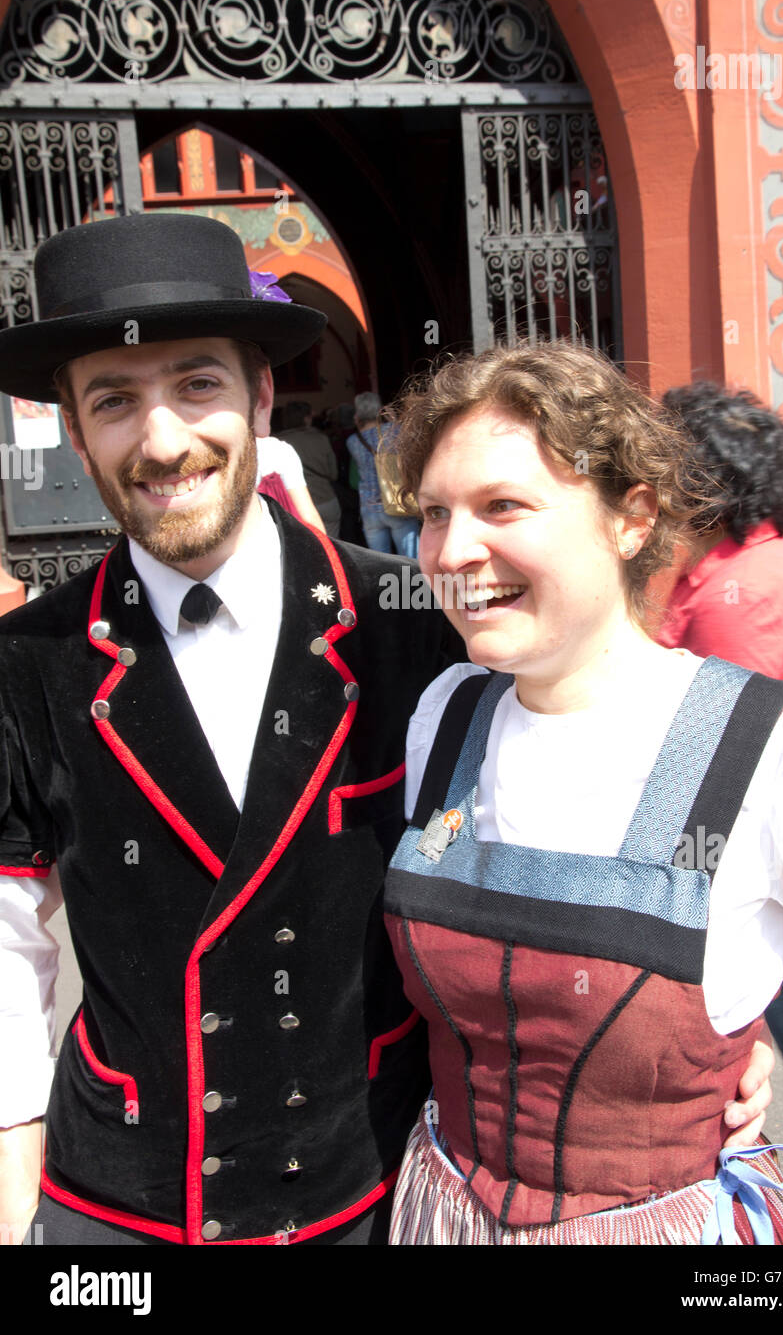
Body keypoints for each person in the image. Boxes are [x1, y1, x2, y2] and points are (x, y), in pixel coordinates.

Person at [0, 212, 450, 1246]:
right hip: (121, 1204)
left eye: (197, 385)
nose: (162, 440)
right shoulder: (26, 662)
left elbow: (536, 837)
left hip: (371, 1186)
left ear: (259, 397)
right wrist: (22, 1212)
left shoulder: (410, 620)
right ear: (74, 431)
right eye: (114, 400)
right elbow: (7, 954)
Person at [381, 342, 783, 1245]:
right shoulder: (446, 715)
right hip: (440, 1211)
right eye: (434, 513)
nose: (450, 550)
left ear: (631, 518)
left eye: (503, 506)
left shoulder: (778, 750)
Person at [657, 381, 783, 1170]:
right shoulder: (757, 552)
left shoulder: (738, 588)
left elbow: (713, 749)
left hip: (743, 867)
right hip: (745, 859)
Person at [346, 392, 420, 558]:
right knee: (410, 560)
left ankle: (386, 585)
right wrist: (394, 420)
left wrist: (358, 423)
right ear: (380, 410)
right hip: (397, 503)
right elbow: (411, 443)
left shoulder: (352, 441)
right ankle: (411, 585)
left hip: (369, 508)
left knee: (380, 562)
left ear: (357, 414)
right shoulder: (394, 431)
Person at [273, 400, 341, 537]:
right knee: (333, 546)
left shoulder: (276, 443)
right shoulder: (321, 438)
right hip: (325, 499)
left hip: (295, 506)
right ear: (306, 418)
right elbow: (333, 474)